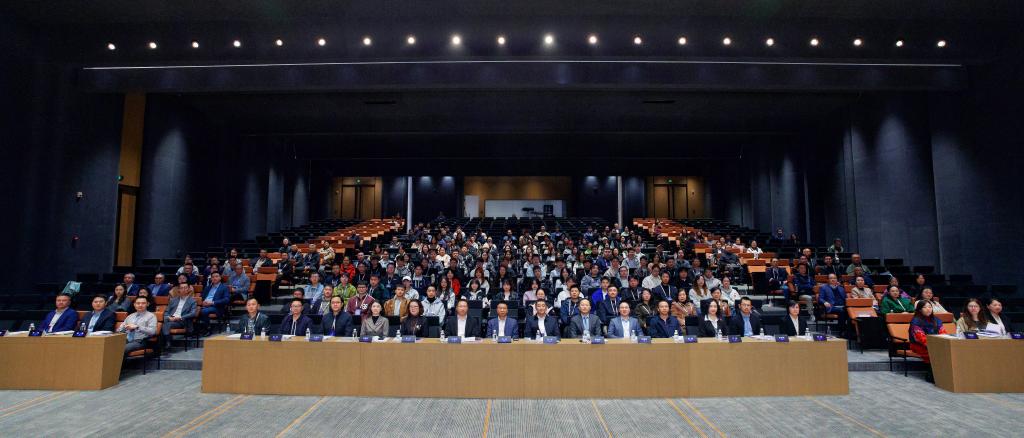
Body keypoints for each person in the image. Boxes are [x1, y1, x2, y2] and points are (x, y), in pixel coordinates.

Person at [909, 300, 947, 383]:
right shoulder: (915, 321)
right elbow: (920, 338)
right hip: (919, 345)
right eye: (925, 307)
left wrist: (943, 343)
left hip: (936, 344)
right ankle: (931, 376)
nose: (928, 309)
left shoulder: (937, 320)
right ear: (920, 309)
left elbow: (943, 333)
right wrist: (935, 346)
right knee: (936, 352)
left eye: (930, 307)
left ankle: (942, 375)